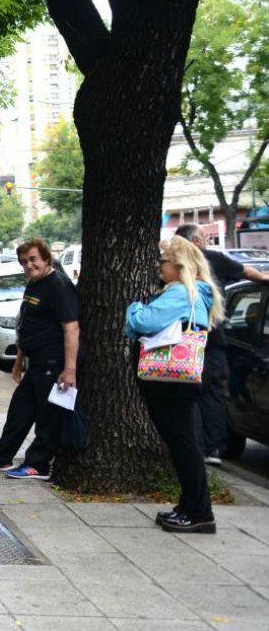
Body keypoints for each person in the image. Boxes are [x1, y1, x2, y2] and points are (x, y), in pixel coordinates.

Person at [126, 237, 223, 534]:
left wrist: (133, 308)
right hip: (175, 381)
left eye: (164, 261)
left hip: (170, 382)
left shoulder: (181, 292)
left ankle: (200, 512)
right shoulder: (191, 293)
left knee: (183, 446)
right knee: (182, 445)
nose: (159, 265)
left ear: (180, 267)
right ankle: (190, 505)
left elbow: (142, 322)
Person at [0, 238, 80, 481]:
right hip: (35, 362)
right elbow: (26, 324)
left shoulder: (59, 285)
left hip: (53, 362)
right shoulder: (34, 284)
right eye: (24, 262)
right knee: (19, 411)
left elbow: (71, 328)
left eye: (33, 259)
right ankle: (1, 456)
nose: (29, 265)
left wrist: (70, 369)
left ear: (46, 258)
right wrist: (18, 359)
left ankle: (38, 464)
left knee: (47, 416)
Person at [173, 224, 269, 465]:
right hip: (213, 338)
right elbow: (250, 273)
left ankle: (194, 447)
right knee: (213, 391)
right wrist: (266, 277)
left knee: (188, 393)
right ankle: (214, 449)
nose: (206, 241)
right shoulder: (214, 259)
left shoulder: (174, 264)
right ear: (195, 240)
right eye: (204, 238)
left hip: (182, 339)